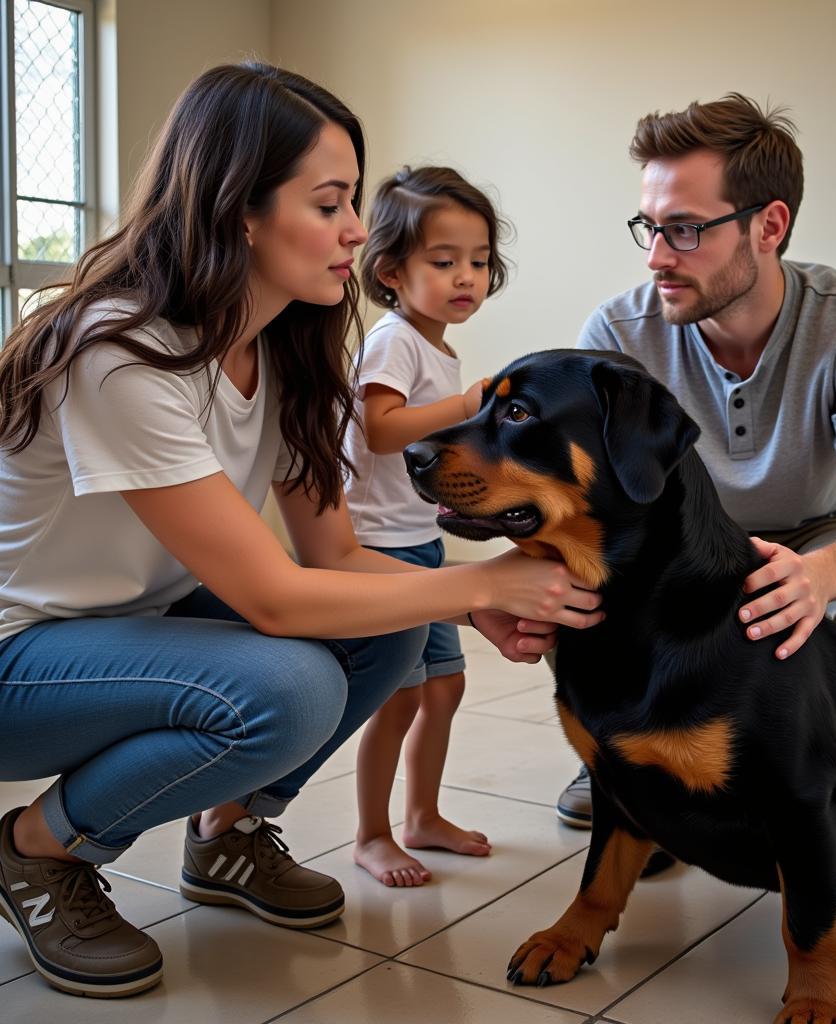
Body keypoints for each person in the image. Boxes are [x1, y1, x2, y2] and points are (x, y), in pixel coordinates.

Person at [0, 62, 603, 999]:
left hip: (124, 631)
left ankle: (228, 834)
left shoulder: (280, 348)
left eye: (353, 201)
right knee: (283, 685)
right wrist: (484, 582)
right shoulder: (120, 350)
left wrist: (458, 605)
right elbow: (275, 598)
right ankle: (38, 852)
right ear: (241, 210)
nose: (360, 232)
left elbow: (335, 554)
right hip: (18, 660)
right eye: (330, 204)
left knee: (392, 618)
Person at [556, 92, 836, 829]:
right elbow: (593, 504)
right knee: (579, 580)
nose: (656, 256)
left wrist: (820, 574)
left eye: (686, 230)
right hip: (678, 546)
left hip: (809, 533)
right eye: (650, 226)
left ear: (770, 225)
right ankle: (627, 768)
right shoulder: (617, 331)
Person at [346, 166, 507, 887]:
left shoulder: (436, 346)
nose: (465, 277)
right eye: (443, 263)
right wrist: (466, 405)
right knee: (402, 694)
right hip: (381, 546)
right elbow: (380, 431)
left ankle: (422, 816)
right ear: (390, 270)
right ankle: (372, 833)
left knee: (444, 688)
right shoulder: (394, 342)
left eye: (477, 262)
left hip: (420, 540)